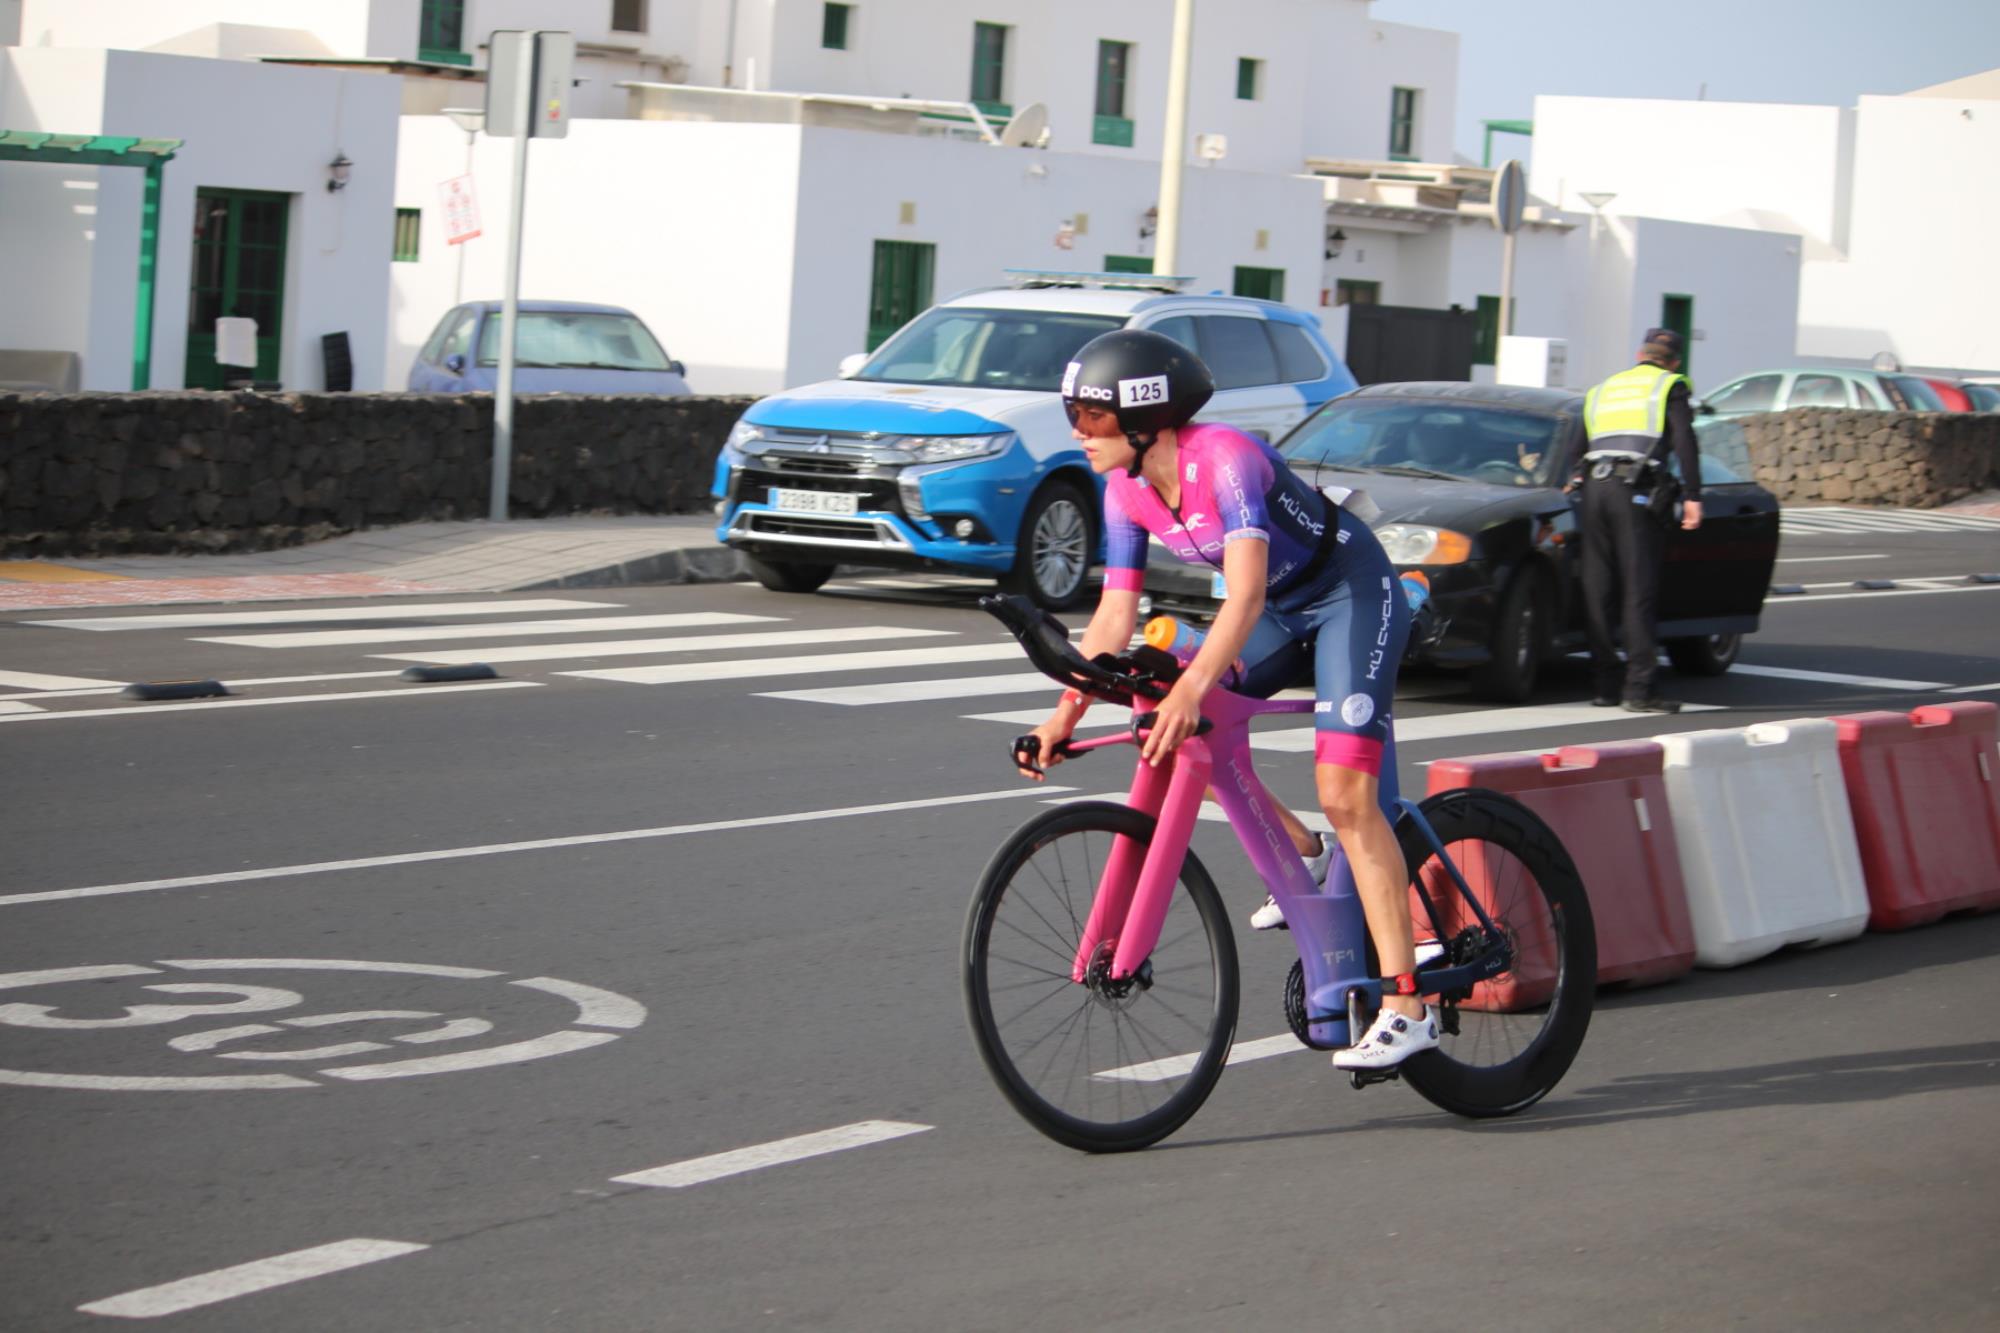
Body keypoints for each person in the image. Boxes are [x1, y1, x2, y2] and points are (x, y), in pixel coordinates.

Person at [1014, 329, 1435, 1071]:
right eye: (1072, 414)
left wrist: (1193, 684)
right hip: (1278, 606)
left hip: (1349, 596)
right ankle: (1301, 855)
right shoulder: (1125, 489)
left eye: (1093, 415)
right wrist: (1063, 712)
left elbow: (1240, 594)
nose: (1078, 432)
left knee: (1346, 794)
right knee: (1170, 715)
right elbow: (1114, 617)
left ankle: (1409, 1004)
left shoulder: (1226, 459)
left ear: (1148, 416)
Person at [1565, 328, 1705, 714]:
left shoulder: (1604, 389)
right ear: (1674, 361)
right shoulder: (1669, 386)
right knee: (1638, 591)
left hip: (1594, 490)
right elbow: (1684, 441)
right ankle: (1639, 690)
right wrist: (1693, 496)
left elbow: (1576, 448)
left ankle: (1604, 687)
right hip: (1635, 491)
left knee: (1599, 589)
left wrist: (1574, 478)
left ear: (1640, 353)